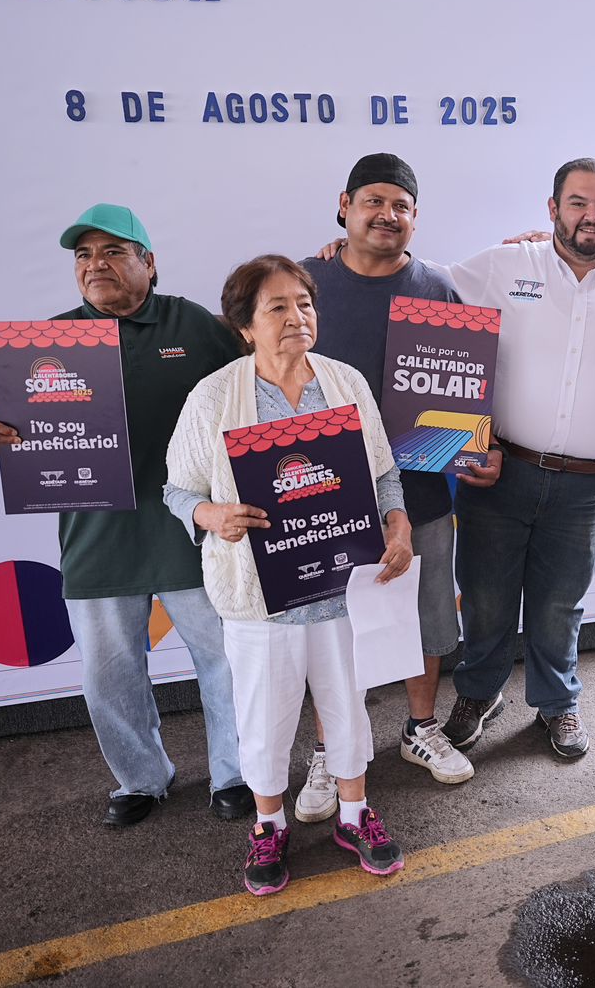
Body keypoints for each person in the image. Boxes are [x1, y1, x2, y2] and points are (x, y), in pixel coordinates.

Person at [0, 204, 250, 828]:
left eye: (113, 252)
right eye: (83, 256)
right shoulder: (48, 343)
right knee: (109, 672)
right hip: (96, 531)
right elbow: (27, 433)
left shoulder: (198, 326)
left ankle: (236, 773)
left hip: (190, 525)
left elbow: (257, 384)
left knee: (225, 658)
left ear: (149, 263)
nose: (96, 265)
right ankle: (141, 779)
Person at [164, 255, 414, 895]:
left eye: (304, 304)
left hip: (341, 585)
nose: (296, 317)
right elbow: (177, 490)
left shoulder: (345, 383)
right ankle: (268, 824)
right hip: (259, 596)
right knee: (265, 716)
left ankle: (355, 816)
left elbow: (383, 471)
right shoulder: (215, 396)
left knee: (348, 708)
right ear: (244, 326)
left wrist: (398, 523)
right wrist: (211, 513)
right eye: (277, 307)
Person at [438, 158, 595, 760]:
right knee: (485, 596)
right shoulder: (508, 264)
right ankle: (478, 693)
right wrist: (351, 256)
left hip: (589, 488)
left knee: (560, 604)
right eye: (578, 204)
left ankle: (557, 704)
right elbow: (426, 286)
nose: (591, 217)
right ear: (552, 209)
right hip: (499, 472)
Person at [289, 153, 489, 821]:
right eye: (374, 201)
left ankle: (419, 730)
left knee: (425, 615)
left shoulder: (438, 287)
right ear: (343, 206)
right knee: (331, 625)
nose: (387, 214)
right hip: (324, 489)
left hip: (422, 483)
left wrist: (472, 450)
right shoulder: (304, 281)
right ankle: (328, 751)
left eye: (401, 205)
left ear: (415, 217)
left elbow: (459, 389)